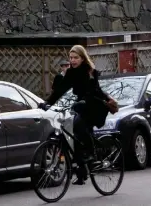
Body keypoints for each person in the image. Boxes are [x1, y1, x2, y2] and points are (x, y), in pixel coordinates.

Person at [39, 45, 118, 184]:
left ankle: (92, 156)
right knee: (72, 134)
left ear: (82, 58)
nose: (73, 60)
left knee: (79, 125)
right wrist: (47, 103)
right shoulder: (70, 73)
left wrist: (86, 101)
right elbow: (60, 90)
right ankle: (81, 170)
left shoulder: (90, 71)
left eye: (76, 58)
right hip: (81, 105)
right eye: (71, 58)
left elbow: (94, 91)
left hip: (94, 105)